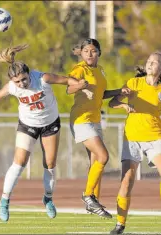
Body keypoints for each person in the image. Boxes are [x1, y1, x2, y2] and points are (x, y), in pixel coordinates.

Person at [0, 43, 88, 222]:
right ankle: (4, 201)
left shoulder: (42, 78)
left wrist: (80, 84)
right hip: (28, 125)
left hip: (50, 124)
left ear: (29, 74)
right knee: (19, 163)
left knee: (50, 164)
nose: (22, 84)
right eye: (18, 81)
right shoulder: (12, 87)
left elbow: (65, 79)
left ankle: (47, 199)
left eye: (24, 79)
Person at [108, 52, 161, 234]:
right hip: (132, 137)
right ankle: (120, 223)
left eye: (155, 62)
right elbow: (112, 102)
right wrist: (123, 105)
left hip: (155, 137)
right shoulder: (133, 83)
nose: (150, 64)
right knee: (127, 181)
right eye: (149, 61)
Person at [66, 38, 131, 218]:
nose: (89, 53)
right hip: (81, 120)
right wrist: (79, 85)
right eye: (86, 50)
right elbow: (68, 89)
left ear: (99, 53)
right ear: (81, 53)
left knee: (96, 163)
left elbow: (101, 95)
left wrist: (119, 91)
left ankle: (93, 202)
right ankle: (88, 196)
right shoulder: (80, 69)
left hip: (95, 120)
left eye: (93, 50)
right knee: (103, 157)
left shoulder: (100, 71)